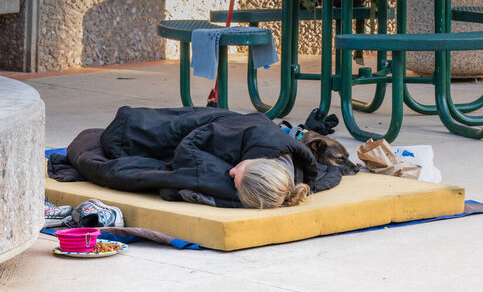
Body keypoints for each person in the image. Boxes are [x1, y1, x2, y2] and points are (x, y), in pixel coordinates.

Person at [48, 106, 341, 209]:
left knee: (109, 161)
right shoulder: (267, 145)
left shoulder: (272, 185)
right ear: (259, 162)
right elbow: (198, 136)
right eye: (239, 171)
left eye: (234, 181)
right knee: (123, 133)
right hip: (206, 126)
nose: (229, 173)